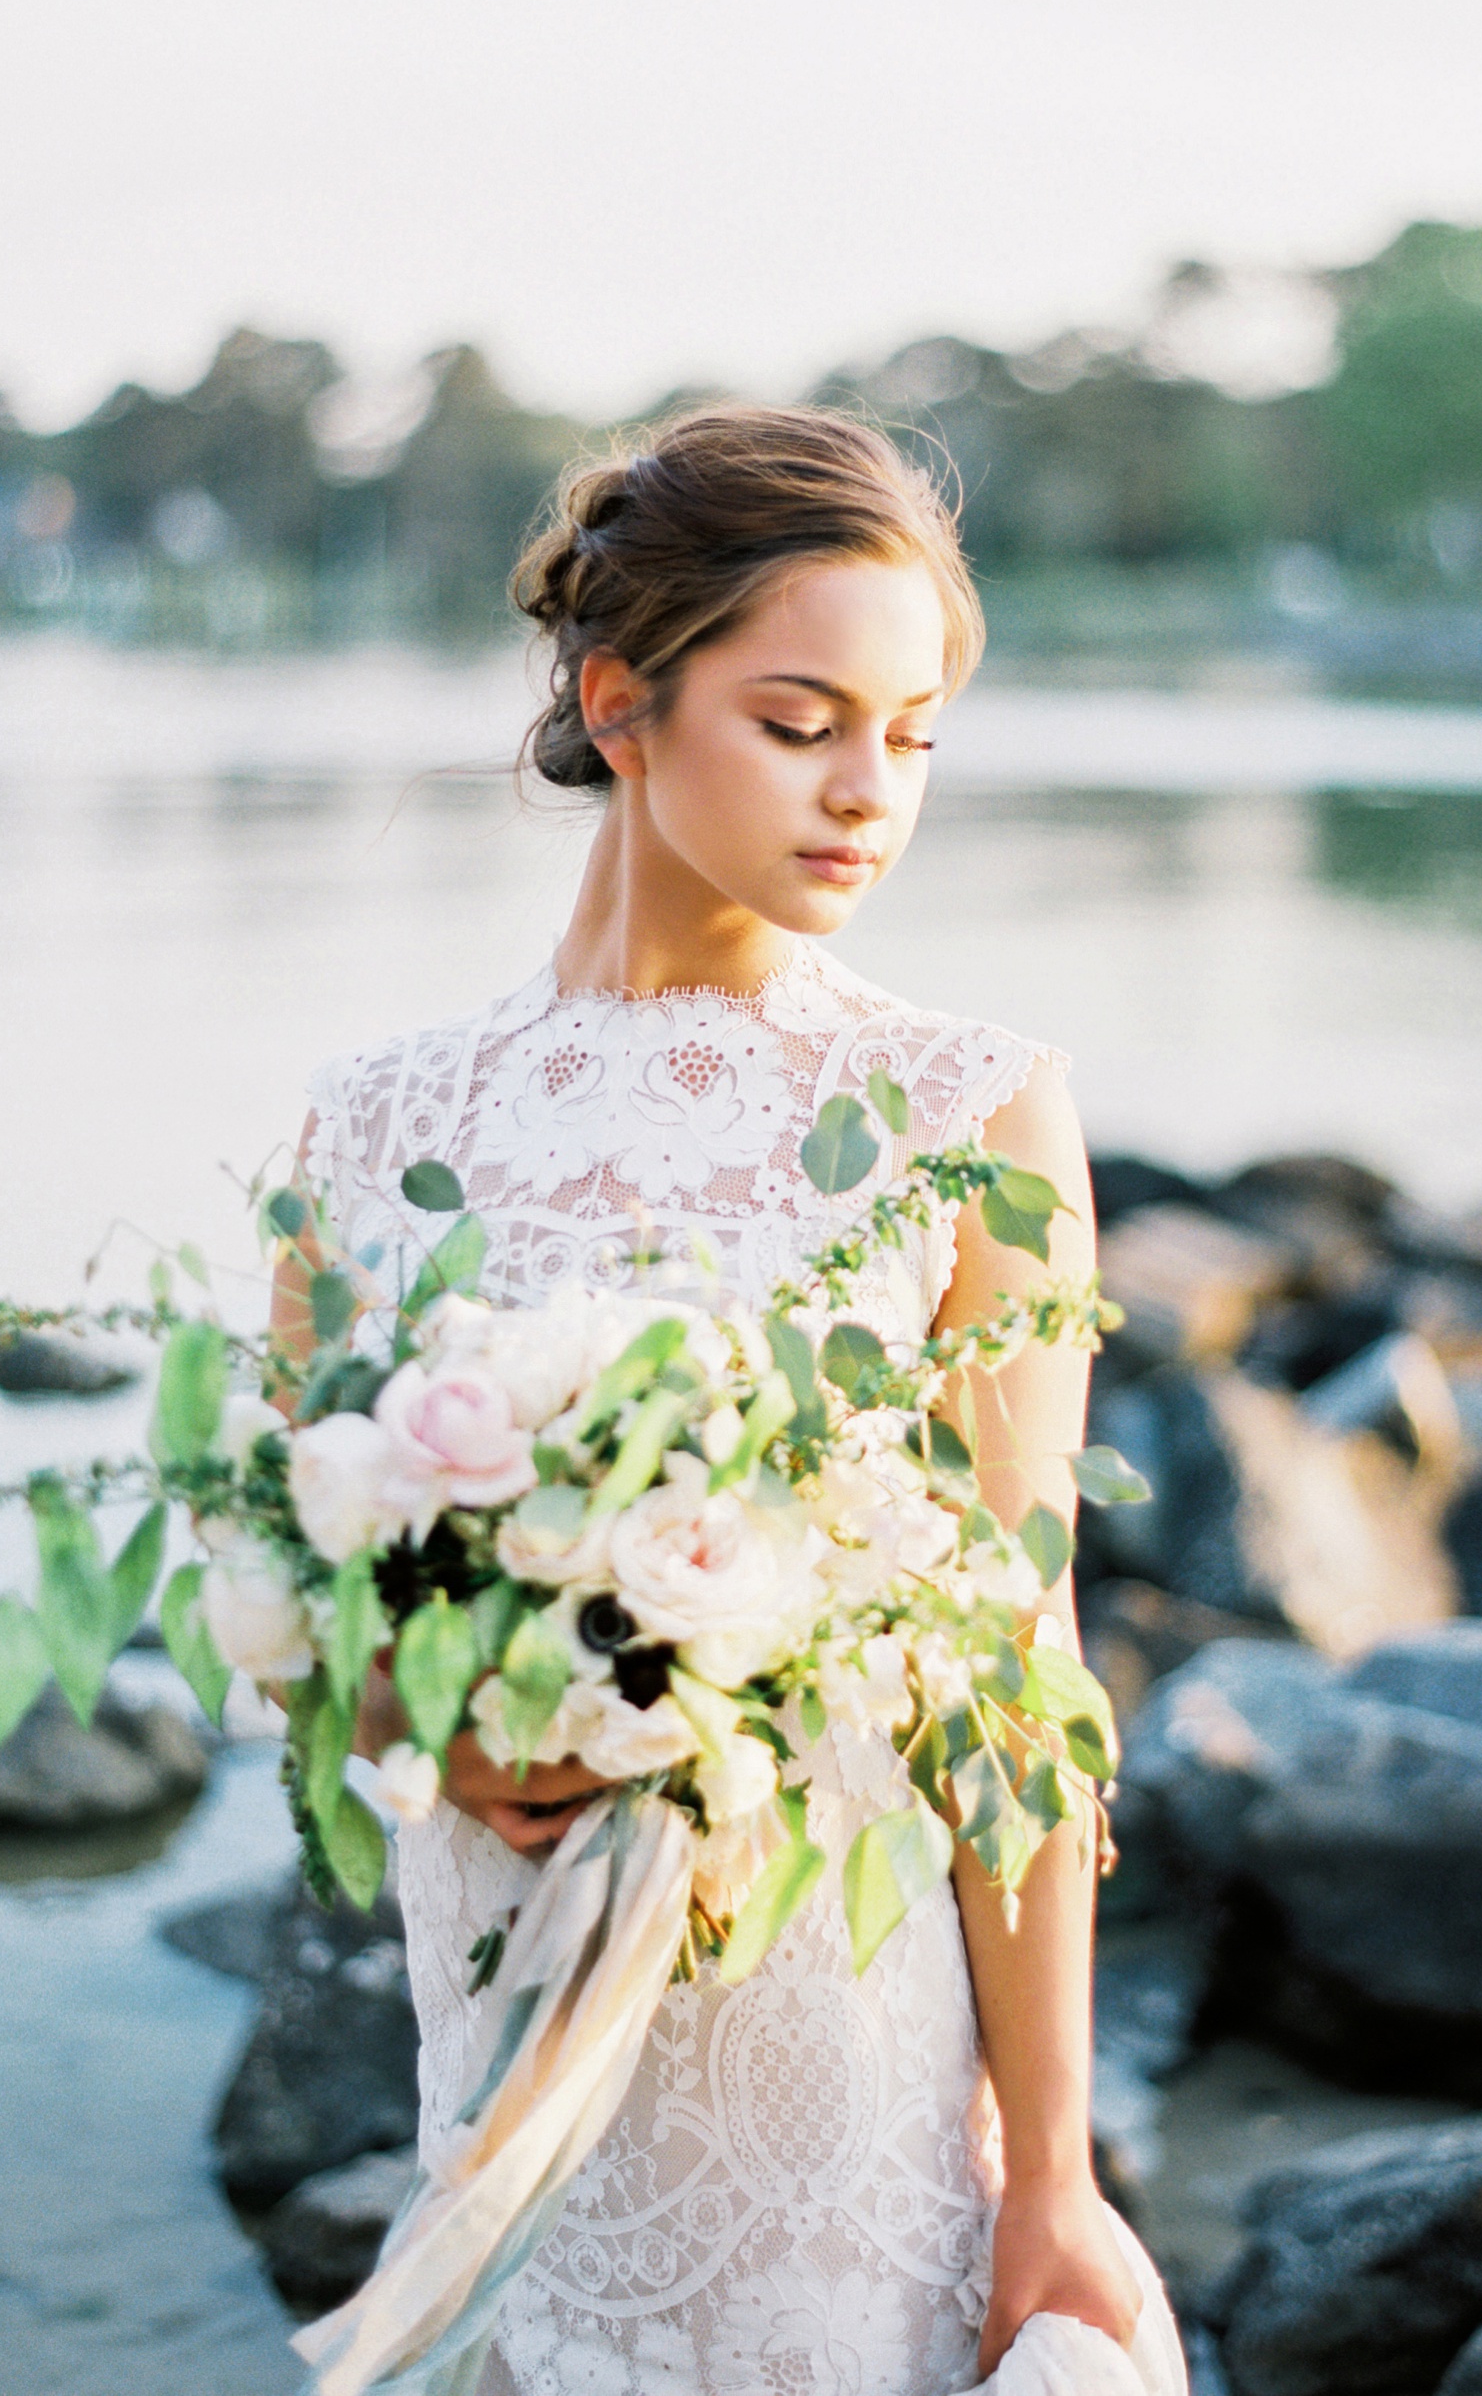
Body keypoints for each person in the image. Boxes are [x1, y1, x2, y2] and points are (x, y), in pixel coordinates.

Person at [295, 405, 1174, 2396]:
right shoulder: (374, 1126)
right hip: (513, 2014)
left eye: (916, 729)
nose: (871, 790)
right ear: (622, 704)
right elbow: (311, 1586)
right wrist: (426, 1718)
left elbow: (1017, 1670)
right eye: (802, 720)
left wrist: (1050, 2166)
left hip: (842, 2053)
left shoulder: (966, 1110)